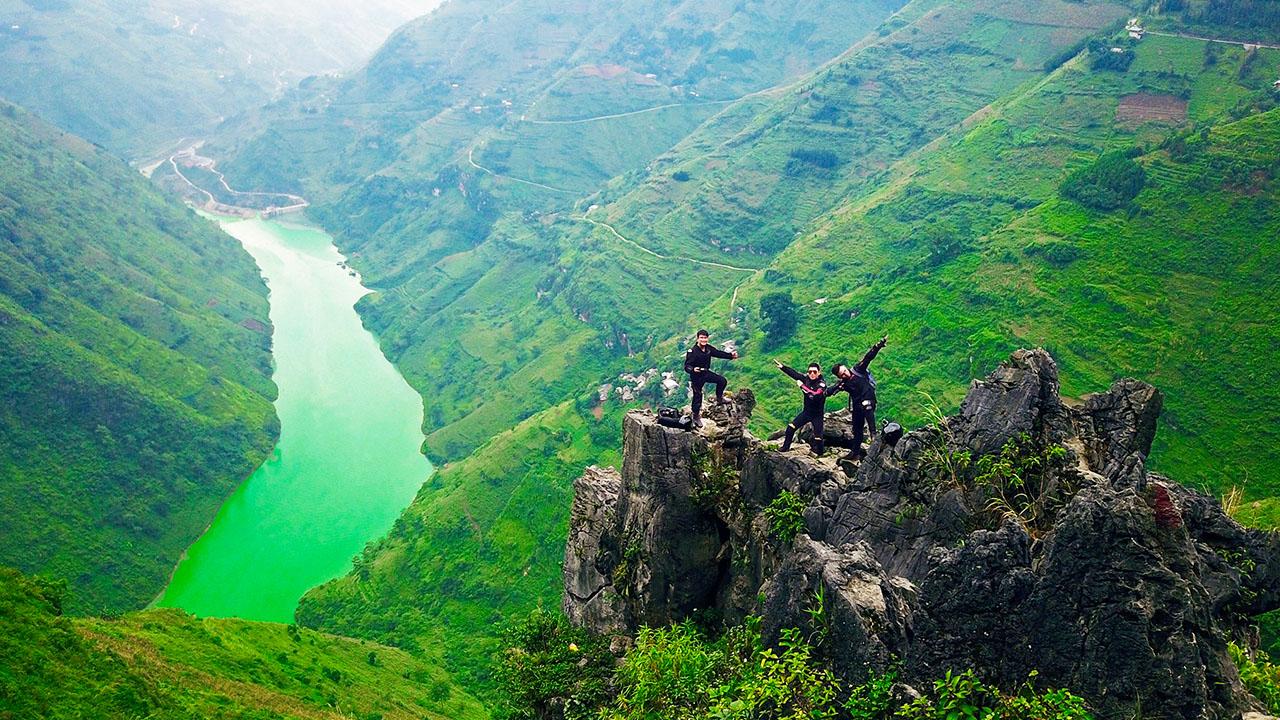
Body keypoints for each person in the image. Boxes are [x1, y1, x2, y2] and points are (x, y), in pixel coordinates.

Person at [827, 336, 887, 460]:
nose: (845, 373)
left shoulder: (858, 369)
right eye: (842, 374)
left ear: (846, 367)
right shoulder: (843, 383)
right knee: (857, 428)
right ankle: (855, 453)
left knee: (867, 405)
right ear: (839, 376)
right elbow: (830, 391)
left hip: (869, 399)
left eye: (845, 370)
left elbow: (868, 358)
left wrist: (878, 346)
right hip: (857, 405)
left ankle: (873, 433)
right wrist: (822, 391)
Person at [684, 329, 738, 427]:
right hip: (696, 376)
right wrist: (693, 369)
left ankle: (719, 398)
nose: (703, 340)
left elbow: (718, 353)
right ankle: (696, 416)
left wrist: (730, 356)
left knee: (722, 381)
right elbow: (687, 366)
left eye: (705, 338)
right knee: (698, 395)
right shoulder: (692, 351)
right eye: (701, 338)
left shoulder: (708, 349)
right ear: (697, 339)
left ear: (707, 339)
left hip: (705, 372)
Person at [774, 359, 828, 456]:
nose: (812, 374)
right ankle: (785, 447)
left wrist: (802, 386)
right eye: (810, 372)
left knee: (818, 437)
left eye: (814, 372)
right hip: (806, 413)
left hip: (817, 415)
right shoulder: (806, 379)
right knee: (790, 428)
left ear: (819, 373)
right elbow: (794, 374)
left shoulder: (821, 384)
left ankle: (820, 455)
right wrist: (783, 367)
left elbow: (814, 395)